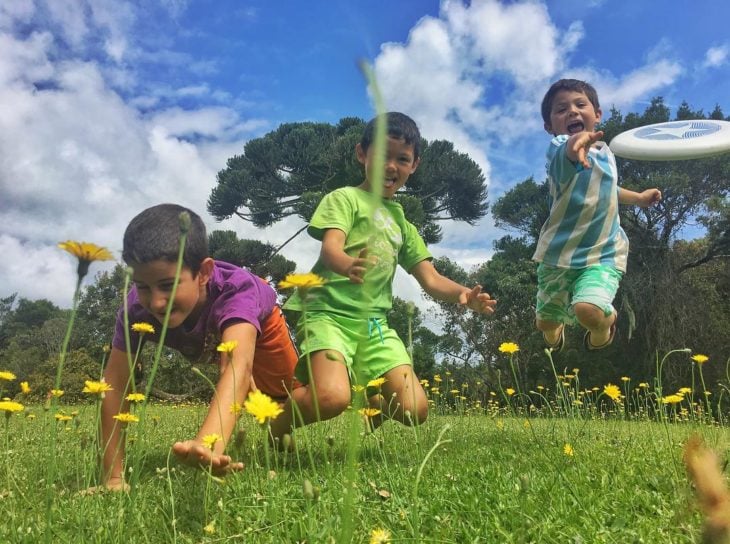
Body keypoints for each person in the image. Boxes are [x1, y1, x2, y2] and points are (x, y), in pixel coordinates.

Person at [272, 112, 496, 439]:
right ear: (362, 154)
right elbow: (330, 248)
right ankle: (275, 426)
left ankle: (373, 405)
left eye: (402, 159)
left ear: (414, 165)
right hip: (327, 314)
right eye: (382, 156)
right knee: (332, 397)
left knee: (414, 410)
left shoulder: (402, 223)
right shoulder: (344, 199)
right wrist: (347, 264)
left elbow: (431, 279)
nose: (391, 166)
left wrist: (464, 294)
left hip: (375, 324)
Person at [98, 203, 298, 491]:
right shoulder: (135, 310)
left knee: (290, 396)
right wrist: (113, 477)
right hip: (216, 344)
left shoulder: (237, 291)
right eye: (143, 286)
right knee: (242, 385)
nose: (155, 302)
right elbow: (115, 383)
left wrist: (207, 444)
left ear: (203, 273)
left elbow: (237, 366)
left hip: (264, 329)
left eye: (168, 285)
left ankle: (280, 429)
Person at [534, 79, 662, 352]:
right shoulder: (558, 149)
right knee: (544, 323)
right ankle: (554, 328)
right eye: (561, 109)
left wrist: (638, 198)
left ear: (597, 114)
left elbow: (607, 189)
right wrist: (574, 144)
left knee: (588, 310)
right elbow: (567, 154)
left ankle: (605, 325)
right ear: (549, 126)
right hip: (558, 255)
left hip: (602, 252)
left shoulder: (606, 154)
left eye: (581, 104)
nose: (572, 111)